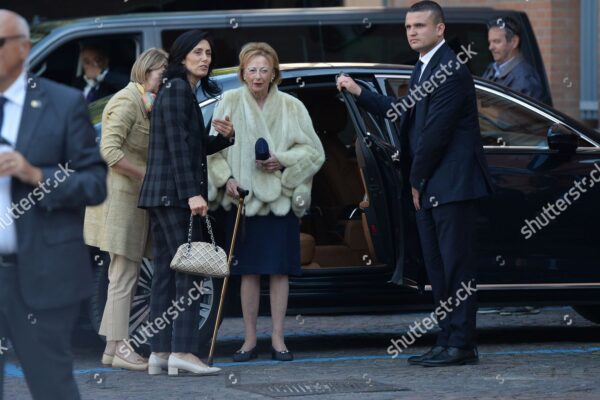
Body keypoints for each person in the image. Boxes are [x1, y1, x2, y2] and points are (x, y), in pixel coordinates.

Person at [336, 0, 493, 367]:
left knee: (456, 269)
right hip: (433, 187)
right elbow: (403, 113)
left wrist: (416, 181)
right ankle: (447, 338)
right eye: (408, 27)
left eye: (419, 26)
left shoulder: (450, 69)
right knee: (437, 270)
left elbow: (435, 135)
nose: (411, 32)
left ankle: (462, 343)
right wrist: (359, 92)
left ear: (440, 29)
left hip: (452, 188)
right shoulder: (423, 67)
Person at [0, 9, 107, 400]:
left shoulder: (62, 104)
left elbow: (94, 184)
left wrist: (35, 174)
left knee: (51, 387)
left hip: (40, 275)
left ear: (24, 48)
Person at [207, 42, 325, 362]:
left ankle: (278, 338)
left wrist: (282, 161)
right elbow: (212, 151)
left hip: (279, 203)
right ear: (243, 73)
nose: (258, 76)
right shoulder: (229, 102)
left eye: (264, 70)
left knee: (278, 272)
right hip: (244, 202)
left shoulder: (291, 106)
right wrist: (226, 180)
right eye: (252, 70)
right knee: (248, 272)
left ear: (274, 74)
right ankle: (248, 340)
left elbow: (314, 153)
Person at [138, 30, 234, 376]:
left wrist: (224, 138)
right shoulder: (178, 89)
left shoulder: (176, 90)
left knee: (166, 274)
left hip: (164, 195)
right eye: (198, 52)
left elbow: (191, 145)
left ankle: (160, 353)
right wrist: (192, 193)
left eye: (208, 53)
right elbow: (178, 149)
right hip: (176, 196)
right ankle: (183, 352)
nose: (205, 58)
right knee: (191, 274)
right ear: (181, 57)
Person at [84, 48, 168, 371]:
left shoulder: (143, 100)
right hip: (119, 202)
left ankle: (112, 348)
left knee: (122, 275)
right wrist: (145, 174)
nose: (165, 79)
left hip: (129, 202)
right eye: (162, 73)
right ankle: (120, 347)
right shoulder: (127, 101)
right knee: (122, 276)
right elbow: (109, 150)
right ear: (147, 71)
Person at [482, 16, 545, 102]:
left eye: (496, 41)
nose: (490, 47)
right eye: (490, 42)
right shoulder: (492, 69)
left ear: (514, 42)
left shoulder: (525, 79)